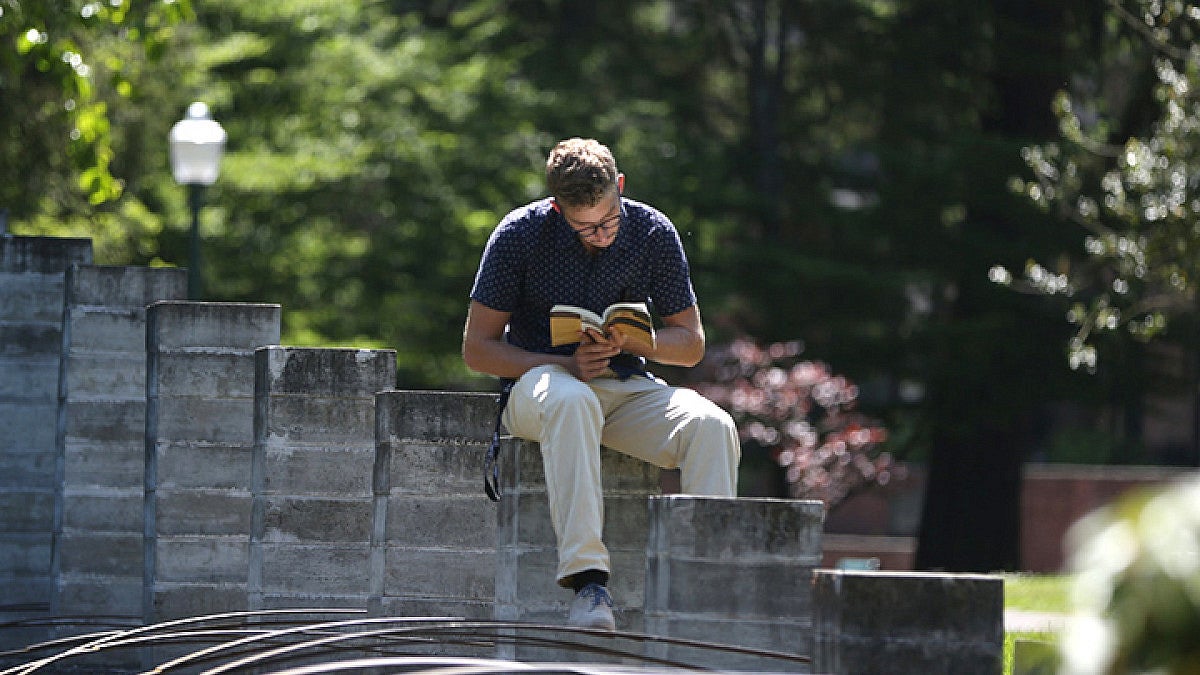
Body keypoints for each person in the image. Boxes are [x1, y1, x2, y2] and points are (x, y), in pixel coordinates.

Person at [461, 137, 740, 630]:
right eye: (584, 226)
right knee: (572, 401)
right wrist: (563, 364)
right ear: (556, 206)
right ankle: (588, 585)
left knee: (712, 425)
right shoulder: (518, 235)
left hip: (625, 381)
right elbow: (477, 349)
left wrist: (635, 341)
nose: (601, 235)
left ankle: (706, 594)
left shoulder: (653, 231)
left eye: (609, 219)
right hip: (539, 387)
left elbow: (691, 343)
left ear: (622, 187)